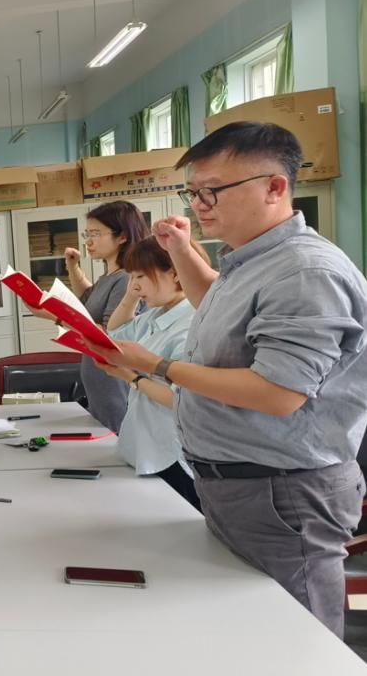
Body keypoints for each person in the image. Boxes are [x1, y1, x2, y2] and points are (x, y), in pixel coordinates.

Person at [87, 121, 367, 637]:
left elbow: (279, 393)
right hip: (239, 483)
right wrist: (180, 250)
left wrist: (156, 366)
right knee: (249, 633)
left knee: (298, 640)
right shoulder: (252, 260)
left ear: (274, 187)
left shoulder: (304, 273)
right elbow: (214, 304)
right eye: (192, 192)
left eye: (213, 191)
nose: (199, 205)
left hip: (283, 492)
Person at [93, 236, 208, 511]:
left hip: (171, 450)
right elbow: (116, 334)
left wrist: (131, 378)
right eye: (131, 276)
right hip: (147, 443)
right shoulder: (158, 314)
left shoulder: (191, 323)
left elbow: (180, 398)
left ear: (176, 274)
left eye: (141, 276)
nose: (134, 284)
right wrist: (131, 294)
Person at [31, 200, 148, 431]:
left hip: (115, 381)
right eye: (87, 234)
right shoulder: (110, 276)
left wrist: (55, 317)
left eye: (95, 233)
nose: (88, 241)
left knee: (117, 438)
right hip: (100, 379)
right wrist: (73, 267)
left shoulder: (126, 278)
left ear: (122, 236)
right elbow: (86, 300)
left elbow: (107, 333)